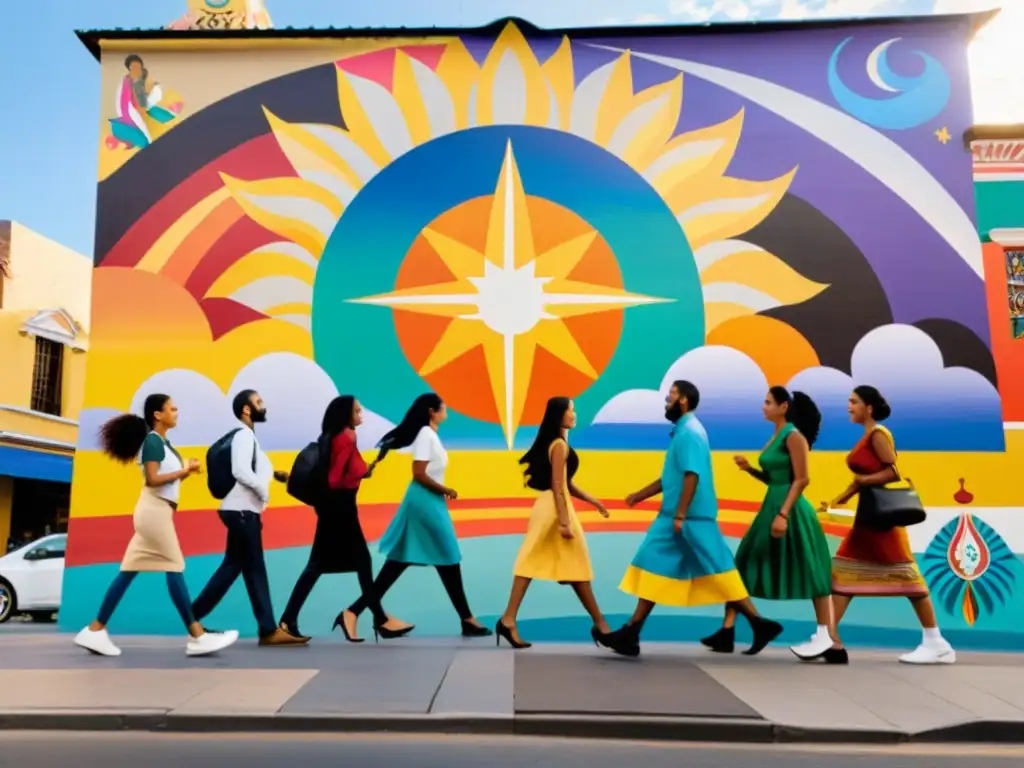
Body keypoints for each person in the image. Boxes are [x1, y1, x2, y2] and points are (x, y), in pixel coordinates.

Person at [609, 380, 783, 657]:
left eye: (672, 395)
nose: (666, 399)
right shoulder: (685, 432)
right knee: (656, 566)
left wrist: (680, 514)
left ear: (684, 401)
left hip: (690, 518)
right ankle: (632, 631)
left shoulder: (689, 433)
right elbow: (675, 476)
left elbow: (692, 475)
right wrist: (640, 495)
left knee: (718, 569)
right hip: (679, 516)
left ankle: (758, 623)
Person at [793, 385, 955, 665]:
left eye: (854, 402)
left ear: (869, 408)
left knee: (908, 579)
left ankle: (936, 641)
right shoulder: (868, 436)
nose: (849, 406)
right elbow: (863, 478)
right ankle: (830, 639)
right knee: (842, 576)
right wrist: (837, 500)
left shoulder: (879, 434)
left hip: (882, 520)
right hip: (868, 517)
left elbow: (893, 470)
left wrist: (862, 483)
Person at [74, 394, 238, 657]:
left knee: (128, 571)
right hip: (154, 513)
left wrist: (186, 471)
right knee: (175, 567)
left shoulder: (162, 443)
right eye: (172, 408)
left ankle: (95, 630)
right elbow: (152, 479)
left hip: (155, 511)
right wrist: (183, 471)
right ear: (157, 415)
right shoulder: (152, 441)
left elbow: (166, 481)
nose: (176, 412)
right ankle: (197, 635)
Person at [702, 387, 842, 661]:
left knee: (812, 571)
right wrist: (750, 469)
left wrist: (783, 515)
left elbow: (802, 479)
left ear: (783, 407)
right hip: (772, 504)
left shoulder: (793, 436)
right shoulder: (776, 436)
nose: (763, 407)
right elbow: (776, 478)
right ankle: (728, 629)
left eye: (768, 402)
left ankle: (827, 636)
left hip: (789, 510)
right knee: (742, 563)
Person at [346, 393, 491, 638]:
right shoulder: (425, 435)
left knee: (402, 561)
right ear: (432, 412)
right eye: (443, 406)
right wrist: (446, 490)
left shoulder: (430, 435)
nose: (446, 409)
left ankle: (353, 611)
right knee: (448, 556)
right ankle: (467, 619)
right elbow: (419, 474)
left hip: (429, 502)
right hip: (424, 502)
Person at [277, 396, 413, 642]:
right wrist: (359, 473)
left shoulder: (334, 436)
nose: (362, 413)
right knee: (355, 563)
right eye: (357, 410)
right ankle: (377, 619)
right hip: (341, 510)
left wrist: (364, 469)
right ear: (345, 415)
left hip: (333, 509)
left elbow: (341, 471)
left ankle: (290, 619)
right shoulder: (348, 437)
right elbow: (335, 478)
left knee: (325, 566)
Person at [496, 397, 626, 652]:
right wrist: (565, 521)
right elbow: (557, 485)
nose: (574, 414)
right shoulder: (558, 445)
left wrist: (593, 501)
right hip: (554, 511)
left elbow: (565, 483)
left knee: (566, 566)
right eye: (570, 410)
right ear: (560, 415)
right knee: (543, 561)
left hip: (552, 506)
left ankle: (509, 619)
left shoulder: (560, 443)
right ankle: (601, 626)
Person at [190, 390, 302, 646]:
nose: (264, 406)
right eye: (259, 402)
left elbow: (253, 469)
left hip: (241, 511)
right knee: (254, 570)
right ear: (247, 409)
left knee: (235, 567)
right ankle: (268, 630)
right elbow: (240, 470)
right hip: (242, 512)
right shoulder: (243, 435)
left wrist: (273, 477)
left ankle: (193, 616)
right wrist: (263, 494)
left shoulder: (248, 437)